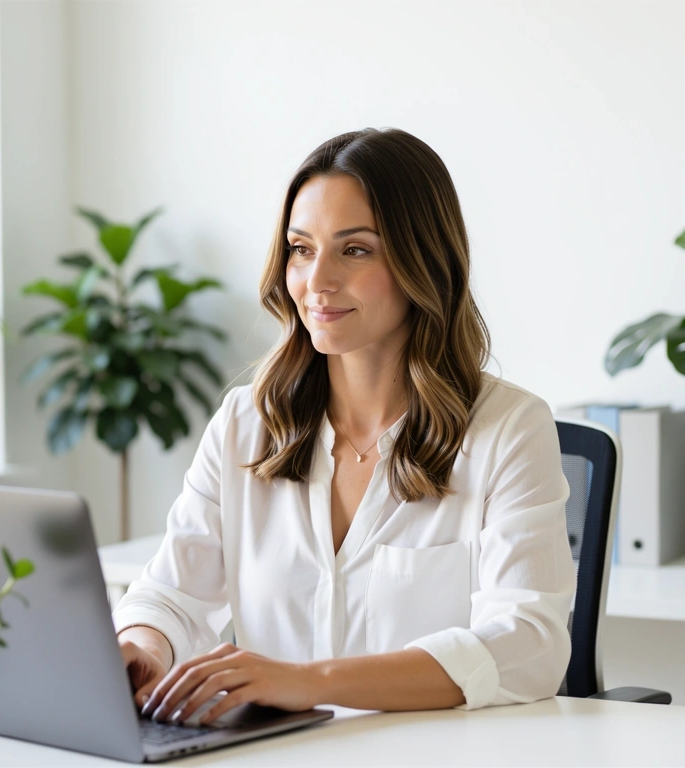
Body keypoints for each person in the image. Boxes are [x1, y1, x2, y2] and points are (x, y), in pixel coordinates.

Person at [112, 127, 576, 725]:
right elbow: (171, 594)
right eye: (301, 249)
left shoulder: (508, 429)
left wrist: (305, 682)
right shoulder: (245, 423)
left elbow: (527, 645)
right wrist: (142, 648)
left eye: (354, 250)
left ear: (422, 262)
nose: (317, 281)